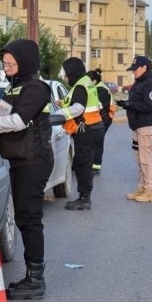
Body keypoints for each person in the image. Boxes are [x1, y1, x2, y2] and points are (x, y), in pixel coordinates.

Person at [0, 39, 54, 300]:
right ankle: (33, 276)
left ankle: (35, 279)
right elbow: (6, 114)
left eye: (11, 63)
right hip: (20, 160)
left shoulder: (36, 88)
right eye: (5, 63)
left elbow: (18, 122)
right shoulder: (16, 87)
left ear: (25, 62)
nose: (7, 68)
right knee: (24, 216)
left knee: (30, 218)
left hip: (34, 160)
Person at [55, 57, 104, 210]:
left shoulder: (80, 85)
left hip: (86, 128)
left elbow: (78, 108)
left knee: (82, 164)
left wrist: (61, 113)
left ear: (72, 72)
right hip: (95, 127)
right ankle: (85, 196)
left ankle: (84, 198)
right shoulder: (86, 82)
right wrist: (63, 103)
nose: (65, 76)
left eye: (66, 73)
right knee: (84, 163)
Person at [116, 56, 152, 203]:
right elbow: (136, 102)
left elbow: (149, 106)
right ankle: (141, 188)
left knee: (147, 160)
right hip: (137, 126)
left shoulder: (149, 84)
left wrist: (130, 105)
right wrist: (126, 103)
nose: (133, 72)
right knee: (140, 160)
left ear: (144, 68)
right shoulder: (138, 83)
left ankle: (150, 191)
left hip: (146, 126)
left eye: (135, 69)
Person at [87, 68, 115, 176]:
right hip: (101, 118)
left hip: (105, 118)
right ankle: (91, 164)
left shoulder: (101, 90)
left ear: (94, 81)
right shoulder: (97, 88)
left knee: (98, 142)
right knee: (93, 141)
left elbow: (97, 105)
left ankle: (96, 166)